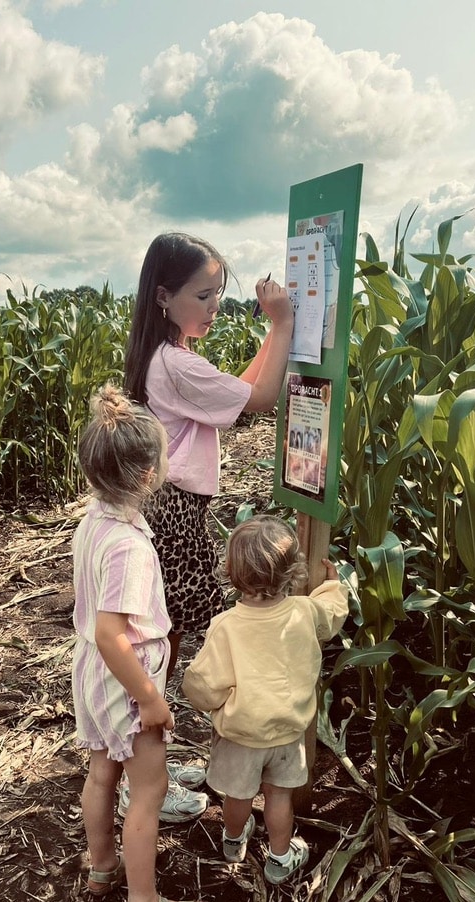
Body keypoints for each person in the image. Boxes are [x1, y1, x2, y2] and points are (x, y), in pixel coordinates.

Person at [71, 383, 209, 902]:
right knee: (147, 791)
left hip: (93, 679)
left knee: (102, 772)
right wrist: (150, 696)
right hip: (123, 680)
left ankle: (101, 865)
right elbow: (112, 634)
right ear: (149, 474)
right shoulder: (129, 545)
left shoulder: (93, 522)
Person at [124, 232, 295, 680]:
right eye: (202, 296)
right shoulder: (178, 365)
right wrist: (283, 326)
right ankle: (149, 708)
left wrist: (271, 335)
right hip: (175, 509)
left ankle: (146, 704)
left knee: (162, 617)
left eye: (217, 295)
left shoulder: (163, 355)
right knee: (169, 620)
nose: (214, 307)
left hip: (164, 501)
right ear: (164, 296)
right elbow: (261, 397)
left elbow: (237, 391)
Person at [181, 516, 349, 884]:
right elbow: (332, 613)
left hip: (240, 735)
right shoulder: (304, 611)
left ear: (230, 572)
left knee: (238, 796)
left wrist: (202, 699)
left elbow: (204, 684)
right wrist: (333, 586)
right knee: (279, 798)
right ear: (294, 572)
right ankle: (279, 858)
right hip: (287, 733)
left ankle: (232, 841)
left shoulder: (226, 626)